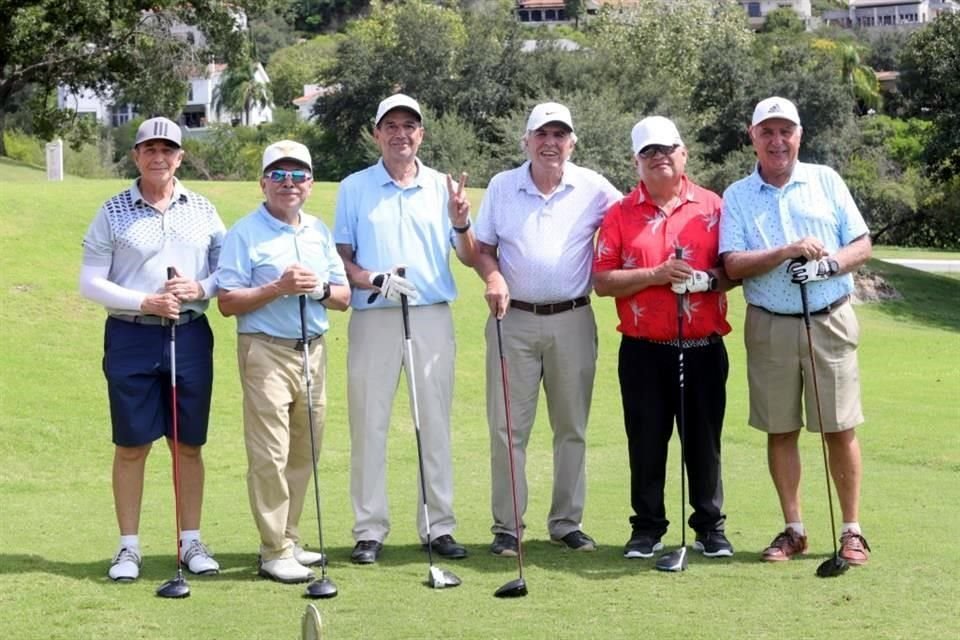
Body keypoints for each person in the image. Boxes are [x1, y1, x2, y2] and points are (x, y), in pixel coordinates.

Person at [719, 96, 873, 565]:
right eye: (767, 131)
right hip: (769, 325)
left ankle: (851, 531)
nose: (777, 140)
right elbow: (732, 262)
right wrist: (785, 252)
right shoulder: (738, 195)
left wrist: (827, 267)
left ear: (799, 136)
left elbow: (860, 244)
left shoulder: (825, 180)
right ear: (753, 137)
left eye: (785, 131)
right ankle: (794, 529)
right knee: (780, 429)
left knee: (838, 427)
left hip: (827, 318)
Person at [333, 93, 476, 565]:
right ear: (376, 133)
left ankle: (438, 527)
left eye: (409, 126)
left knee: (433, 423)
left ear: (422, 134)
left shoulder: (442, 187)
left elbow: (467, 251)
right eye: (390, 125)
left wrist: (462, 223)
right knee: (369, 424)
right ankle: (369, 529)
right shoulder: (355, 187)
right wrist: (373, 278)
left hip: (431, 314)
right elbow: (342, 259)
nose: (400, 133)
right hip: (374, 314)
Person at [473, 102, 621, 556]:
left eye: (560, 135)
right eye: (542, 134)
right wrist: (493, 277)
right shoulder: (502, 186)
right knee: (507, 428)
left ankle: (565, 522)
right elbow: (482, 247)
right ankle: (507, 527)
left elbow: (631, 219)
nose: (551, 143)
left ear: (572, 142)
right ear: (527, 141)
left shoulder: (594, 187)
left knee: (571, 426)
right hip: (511, 319)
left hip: (573, 317)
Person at [79, 116, 223, 582]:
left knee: (188, 445)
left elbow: (229, 272)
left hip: (190, 331)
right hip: (131, 335)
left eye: (168, 150)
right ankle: (128, 548)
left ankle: (191, 540)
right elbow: (91, 282)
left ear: (181, 156)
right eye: (149, 149)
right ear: (136, 155)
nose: (159, 157)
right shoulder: (113, 210)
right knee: (131, 445)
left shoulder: (202, 209)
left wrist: (199, 285)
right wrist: (146, 300)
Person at [593, 116, 737, 560]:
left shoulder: (714, 206)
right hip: (643, 348)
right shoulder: (619, 213)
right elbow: (602, 280)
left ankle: (710, 528)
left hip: (702, 346)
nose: (659, 158)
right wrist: (656, 275)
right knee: (646, 440)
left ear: (683, 154)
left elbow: (732, 271)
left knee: (704, 442)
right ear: (636, 162)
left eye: (666, 149)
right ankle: (647, 527)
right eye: (648, 152)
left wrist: (704, 281)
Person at [217, 140, 350, 584]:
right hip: (265, 349)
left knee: (304, 448)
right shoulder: (244, 232)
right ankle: (273, 549)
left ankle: (290, 538)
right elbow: (228, 302)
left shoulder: (318, 231)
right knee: (269, 454)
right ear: (263, 182)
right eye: (279, 175)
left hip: (313, 351)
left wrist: (316, 290)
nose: (287, 184)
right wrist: (278, 287)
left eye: (297, 176)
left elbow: (343, 297)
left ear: (309, 185)